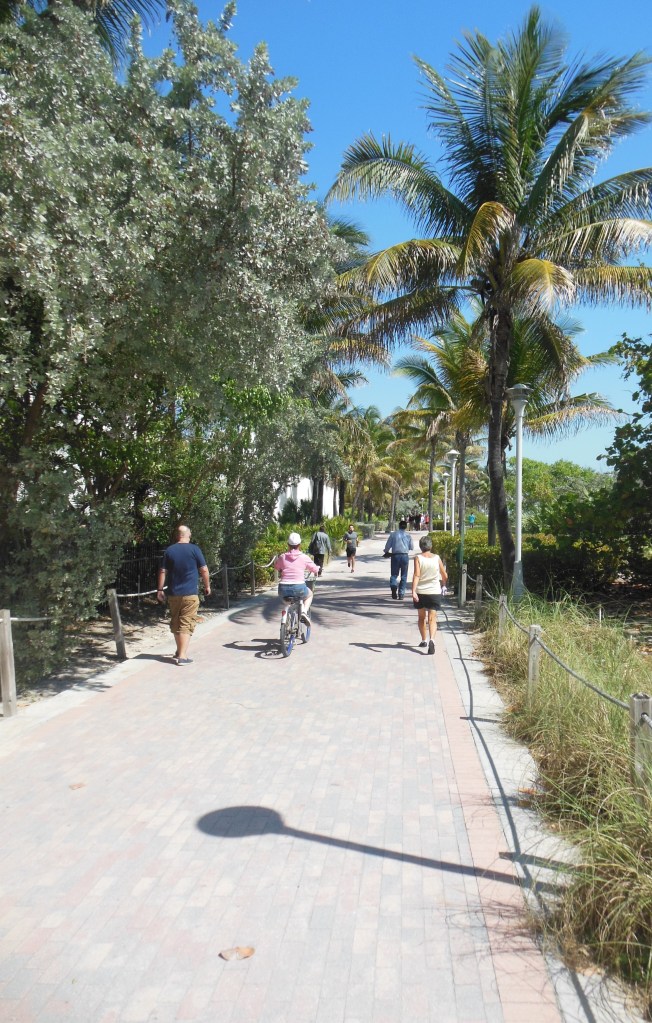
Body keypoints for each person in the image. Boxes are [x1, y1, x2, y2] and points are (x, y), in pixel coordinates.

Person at [157, 525, 211, 665]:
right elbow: (204, 570)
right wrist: (207, 586)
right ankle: (182, 656)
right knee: (186, 623)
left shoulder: (170, 550)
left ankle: (178, 650)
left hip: (174, 593)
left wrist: (160, 590)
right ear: (187, 535)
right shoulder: (194, 549)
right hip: (190, 594)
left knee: (176, 621)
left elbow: (163, 571)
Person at [411, 535, 448, 654]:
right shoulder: (437, 558)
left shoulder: (418, 558)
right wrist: (443, 585)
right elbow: (444, 575)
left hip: (421, 592)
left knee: (422, 617)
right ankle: (432, 639)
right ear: (431, 546)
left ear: (420, 547)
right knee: (432, 618)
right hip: (434, 592)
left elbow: (416, 575)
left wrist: (413, 591)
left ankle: (424, 640)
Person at [274, 532, 320, 623]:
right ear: (299, 545)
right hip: (299, 587)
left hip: (282, 588)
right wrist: (317, 570)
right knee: (309, 594)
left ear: (288, 545)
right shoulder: (304, 557)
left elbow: (276, 567)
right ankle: (304, 611)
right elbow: (315, 568)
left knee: (287, 602)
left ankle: (288, 617)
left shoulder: (282, 557)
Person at [383, 520, 413, 599]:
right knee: (404, 575)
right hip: (405, 556)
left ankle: (393, 586)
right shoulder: (408, 535)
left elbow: (387, 546)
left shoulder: (393, 534)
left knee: (394, 574)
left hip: (395, 556)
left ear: (399, 526)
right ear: (406, 527)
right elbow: (411, 547)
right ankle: (401, 594)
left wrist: (386, 551)